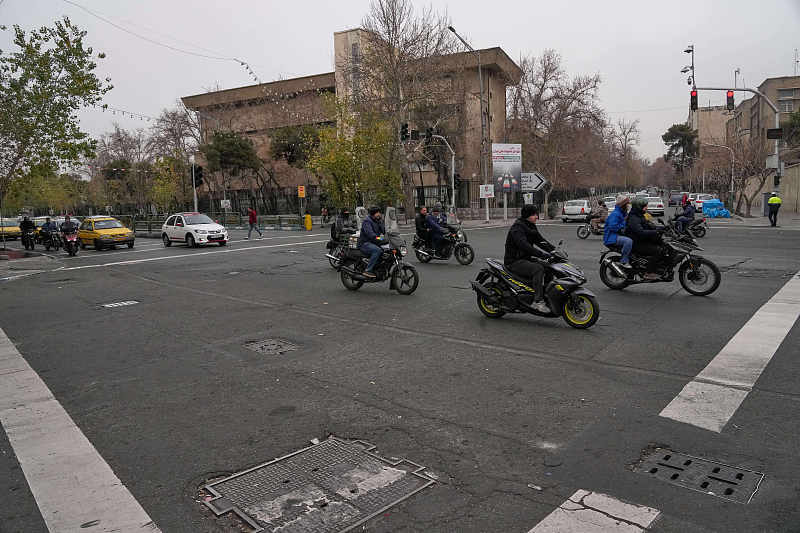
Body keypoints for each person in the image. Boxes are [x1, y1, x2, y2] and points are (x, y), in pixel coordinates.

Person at [504, 204, 556, 313]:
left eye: (536, 214)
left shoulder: (531, 226)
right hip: (514, 261)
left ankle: (546, 294)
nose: (537, 217)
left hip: (525, 258)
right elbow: (525, 246)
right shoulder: (517, 228)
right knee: (538, 269)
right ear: (527, 215)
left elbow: (540, 241)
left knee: (549, 267)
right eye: (534, 214)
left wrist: (554, 251)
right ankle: (537, 301)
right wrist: (542, 255)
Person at [626, 198, 664, 280]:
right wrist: (655, 232)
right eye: (644, 206)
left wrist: (661, 228)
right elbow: (640, 232)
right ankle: (648, 272)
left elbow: (648, 225)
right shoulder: (633, 218)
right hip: (637, 243)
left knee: (664, 245)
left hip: (642, 240)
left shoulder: (639, 215)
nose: (646, 208)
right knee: (658, 250)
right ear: (639, 207)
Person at [603, 195, 633, 272]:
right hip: (611, 237)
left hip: (617, 235)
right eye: (627, 204)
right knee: (628, 241)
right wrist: (623, 225)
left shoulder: (622, 213)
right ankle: (624, 261)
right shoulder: (615, 214)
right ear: (623, 205)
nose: (628, 206)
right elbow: (613, 226)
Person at [357, 206, 386, 278]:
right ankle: (368, 270)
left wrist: (381, 222)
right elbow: (371, 235)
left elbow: (384, 231)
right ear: (373, 213)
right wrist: (381, 239)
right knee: (377, 250)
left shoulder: (377, 220)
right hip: (365, 243)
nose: (379, 214)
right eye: (377, 213)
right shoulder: (367, 221)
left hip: (374, 242)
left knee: (386, 250)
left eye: (380, 212)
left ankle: (378, 267)